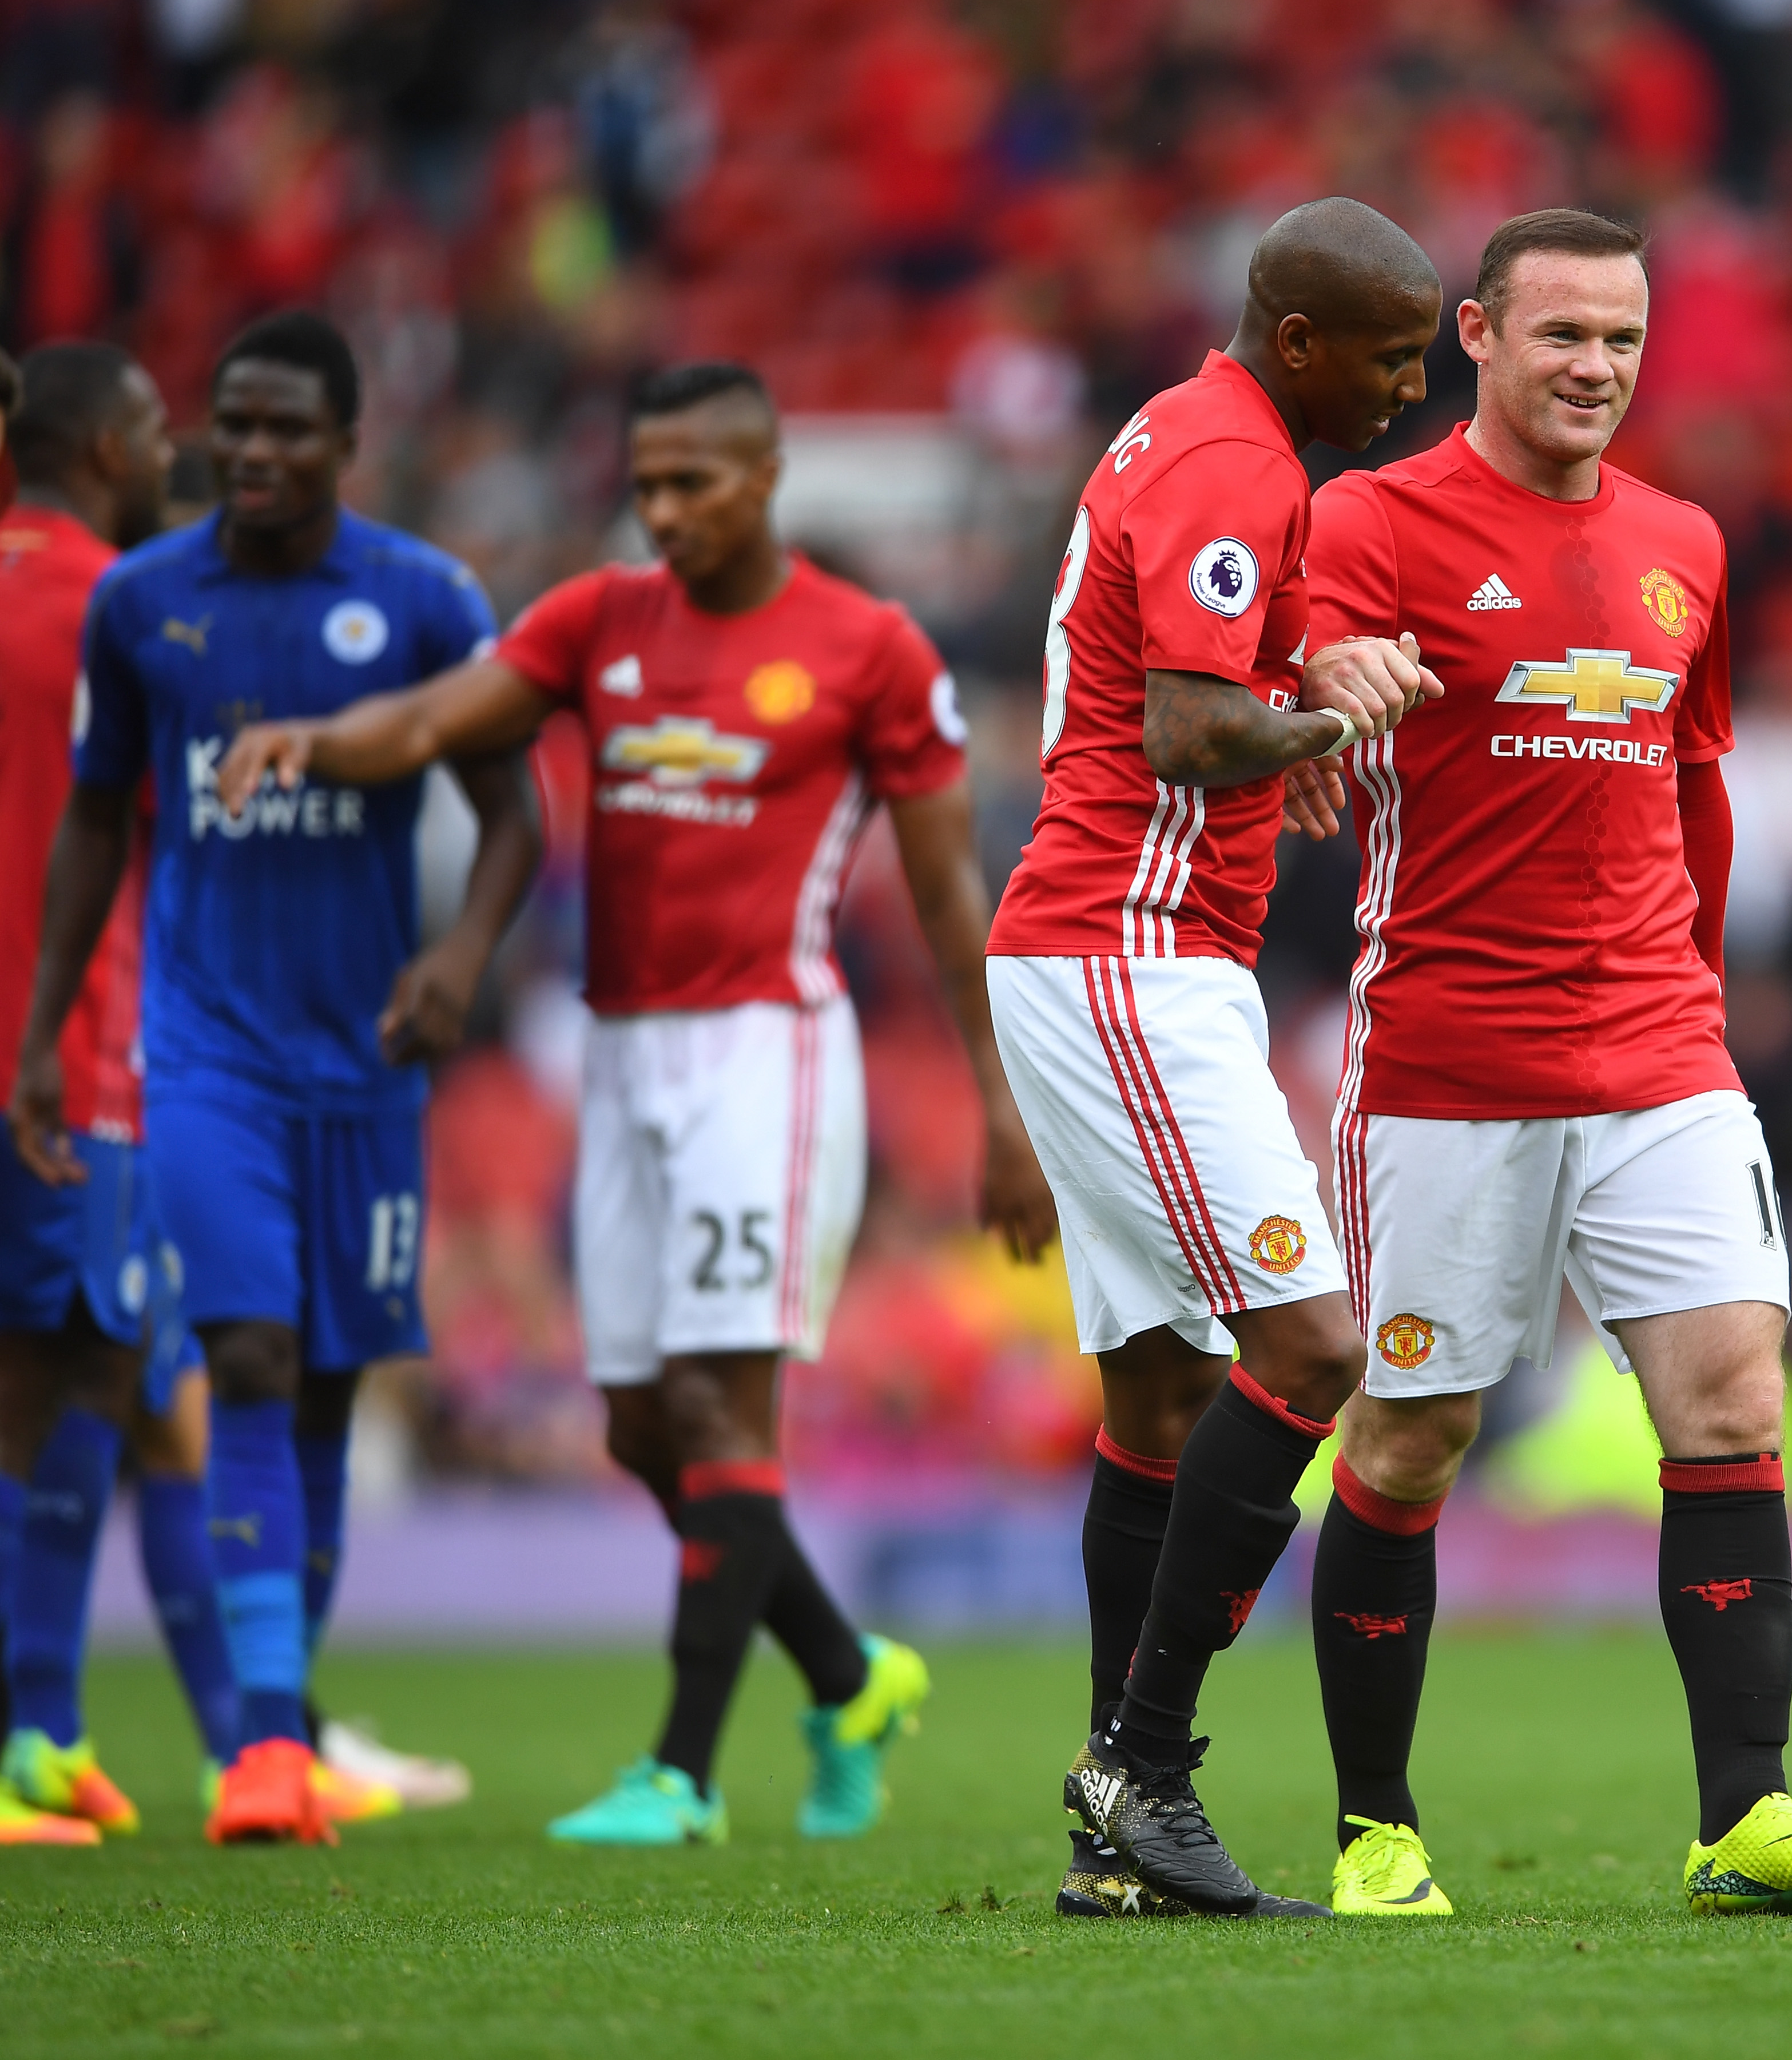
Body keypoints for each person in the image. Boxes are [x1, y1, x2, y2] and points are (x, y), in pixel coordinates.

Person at [216, 361, 1050, 1847]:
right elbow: (435, 723)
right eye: (645, 484)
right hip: (617, 1053)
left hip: (765, 1051)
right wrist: (312, 743)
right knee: (638, 1424)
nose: (662, 512)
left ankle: (682, 1771)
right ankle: (850, 1675)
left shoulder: (865, 651)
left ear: (765, 473)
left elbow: (943, 896)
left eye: (692, 484)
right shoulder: (600, 620)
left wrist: (998, 1108)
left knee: (726, 1400)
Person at [1286, 206, 1792, 1921]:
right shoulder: (1376, 516)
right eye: (1562, 335)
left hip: (1656, 1045)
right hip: (1447, 1054)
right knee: (1414, 1434)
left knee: (1726, 1396)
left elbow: (1693, 783)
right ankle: (1373, 1825)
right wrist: (1322, 677)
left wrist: (1700, 1004)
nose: (1595, 369)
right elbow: (1308, 651)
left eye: (1623, 342)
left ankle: (1747, 1809)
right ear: (1476, 335)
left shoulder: (1685, 545)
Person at [13, 312, 543, 1847]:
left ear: (344, 444)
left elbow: (514, 817)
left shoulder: (422, 598)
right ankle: (258, 1750)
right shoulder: (141, 604)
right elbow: (97, 826)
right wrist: (49, 1032)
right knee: (241, 1355)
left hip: (366, 1062)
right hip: (205, 1053)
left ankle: (278, 1720)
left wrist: (459, 963)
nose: (249, 452)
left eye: (284, 430)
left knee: (319, 1387)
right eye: (230, 426)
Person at [984, 196, 1440, 1918]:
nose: (1411, 387)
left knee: (1165, 1390)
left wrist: (1291, 686)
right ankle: (1142, 1764)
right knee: (1313, 1344)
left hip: (1124, 948)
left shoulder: (1197, 434)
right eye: (1395, 355)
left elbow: (1206, 681)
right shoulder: (1236, 464)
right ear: (1301, 337)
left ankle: (1120, 1836)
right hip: (1126, 946)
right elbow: (1187, 723)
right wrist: (1330, 714)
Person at [0, 342, 251, 1845]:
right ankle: (33, 1726)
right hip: (70, 1048)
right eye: (158, 430)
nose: (176, 451)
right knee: (73, 1374)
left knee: (112, 1379)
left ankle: (67, 1732)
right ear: (102, 448)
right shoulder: (123, 608)